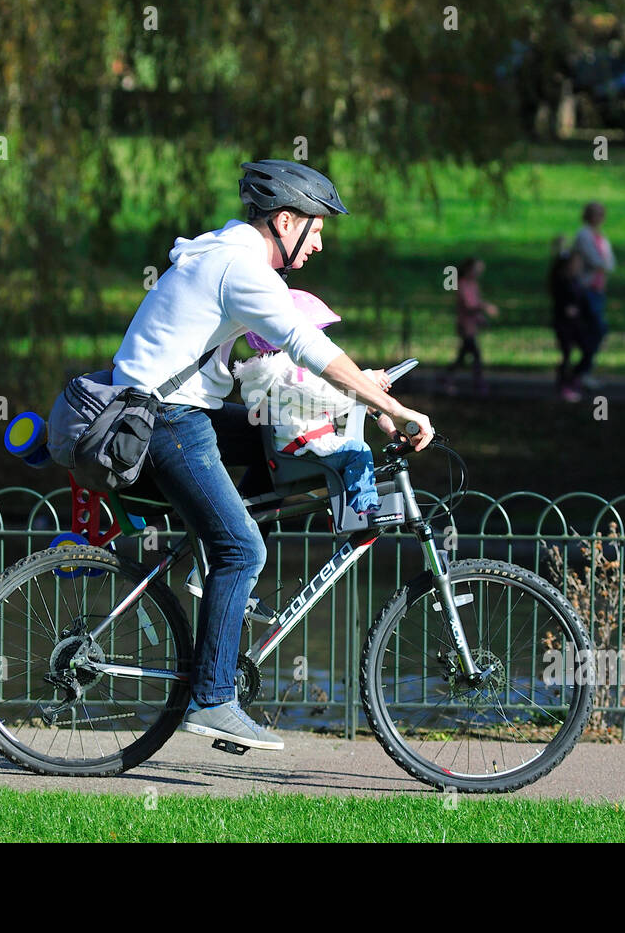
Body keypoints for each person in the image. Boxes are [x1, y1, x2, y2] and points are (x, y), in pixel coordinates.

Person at [111, 159, 433, 752]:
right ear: (285, 221)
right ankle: (212, 699)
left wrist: (373, 407)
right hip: (166, 421)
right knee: (244, 545)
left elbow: (288, 388)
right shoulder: (244, 269)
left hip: (178, 412)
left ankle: (219, 577)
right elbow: (308, 348)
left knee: (274, 450)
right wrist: (401, 411)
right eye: (314, 232)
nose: (316, 248)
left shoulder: (224, 250)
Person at [234, 289, 396, 514]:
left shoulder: (274, 373)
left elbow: (329, 397)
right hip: (304, 449)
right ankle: (364, 510)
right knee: (357, 452)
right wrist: (366, 379)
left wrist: (375, 408)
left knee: (354, 451)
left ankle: (358, 507)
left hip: (298, 444)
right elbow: (329, 397)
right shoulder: (288, 374)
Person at [572, 202, 615, 387]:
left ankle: (583, 370)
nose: (598, 217)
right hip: (587, 289)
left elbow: (610, 263)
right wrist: (603, 265)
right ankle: (581, 371)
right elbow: (597, 261)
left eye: (600, 214)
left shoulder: (601, 238)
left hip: (598, 290)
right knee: (595, 329)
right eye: (594, 213)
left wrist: (604, 265)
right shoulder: (584, 235)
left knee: (597, 330)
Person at [548, 237, 594, 401]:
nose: (578, 266)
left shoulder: (577, 281)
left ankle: (574, 378)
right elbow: (554, 272)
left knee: (587, 349)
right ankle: (565, 385)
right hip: (563, 322)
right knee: (566, 353)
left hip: (577, 323)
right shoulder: (561, 280)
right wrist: (560, 249)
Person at [446, 257, 499, 394]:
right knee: (475, 355)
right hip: (465, 326)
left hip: (472, 326)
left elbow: (475, 305)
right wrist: (485, 307)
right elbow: (469, 306)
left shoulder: (473, 285)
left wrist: (481, 319)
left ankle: (447, 378)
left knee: (463, 356)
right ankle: (478, 384)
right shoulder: (462, 284)